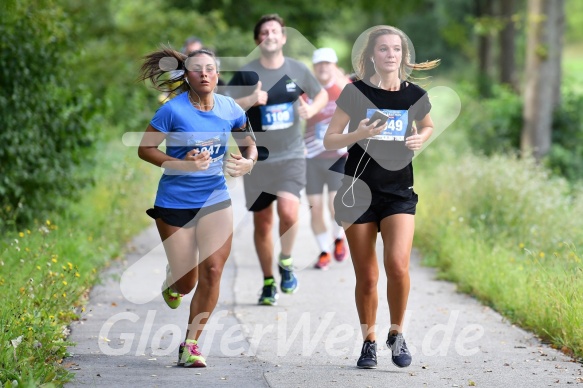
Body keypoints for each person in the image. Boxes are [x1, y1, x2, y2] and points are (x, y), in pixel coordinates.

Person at [323, 26, 439, 369]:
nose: (391, 55)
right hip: (357, 192)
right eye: (384, 50)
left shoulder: (414, 96)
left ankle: (397, 333)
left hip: (398, 192)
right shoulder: (355, 92)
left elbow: (428, 125)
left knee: (398, 266)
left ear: (404, 55)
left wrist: (422, 138)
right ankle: (369, 342)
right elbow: (331, 140)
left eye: (396, 50)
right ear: (372, 55)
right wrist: (359, 133)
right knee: (368, 277)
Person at [137, 46, 258, 368]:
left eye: (210, 68)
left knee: (214, 270)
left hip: (215, 199)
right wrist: (181, 164)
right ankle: (173, 281)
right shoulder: (172, 111)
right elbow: (145, 149)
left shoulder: (230, 108)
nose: (204, 74)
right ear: (187, 76)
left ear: (217, 74)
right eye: (196, 69)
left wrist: (248, 163)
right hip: (174, 202)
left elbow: (250, 145)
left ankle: (190, 344)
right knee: (186, 281)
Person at [226, 14, 328, 305]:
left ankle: (285, 260)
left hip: (292, 154)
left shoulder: (297, 69)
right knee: (263, 224)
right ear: (258, 40)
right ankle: (268, 281)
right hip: (257, 159)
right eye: (264, 32)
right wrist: (250, 101)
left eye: (275, 31)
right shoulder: (247, 74)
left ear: (283, 37)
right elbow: (227, 107)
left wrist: (311, 110)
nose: (270, 35)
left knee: (289, 212)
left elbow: (320, 95)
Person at [302, 48, 349, 270]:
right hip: (311, 156)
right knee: (316, 207)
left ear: (334, 66)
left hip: (338, 156)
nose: (323, 67)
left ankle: (338, 237)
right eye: (319, 64)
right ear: (314, 67)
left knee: (334, 205)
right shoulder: (306, 92)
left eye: (327, 63)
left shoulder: (344, 89)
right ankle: (323, 251)